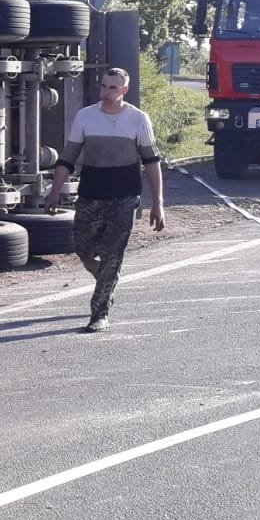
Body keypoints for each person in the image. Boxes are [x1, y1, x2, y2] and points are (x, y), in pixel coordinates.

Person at [43, 66, 166, 332]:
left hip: (124, 196)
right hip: (91, 194)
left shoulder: (138, 119)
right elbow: (68, 157)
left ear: (124, 90)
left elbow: (152, 163)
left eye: (113, 87)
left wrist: (158, 202)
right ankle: (104, 276)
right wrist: (54, 191)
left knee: (113, 255)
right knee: (82, 248)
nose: (107, 92)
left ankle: (99, 313)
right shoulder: (85, 117)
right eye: (103, 86)